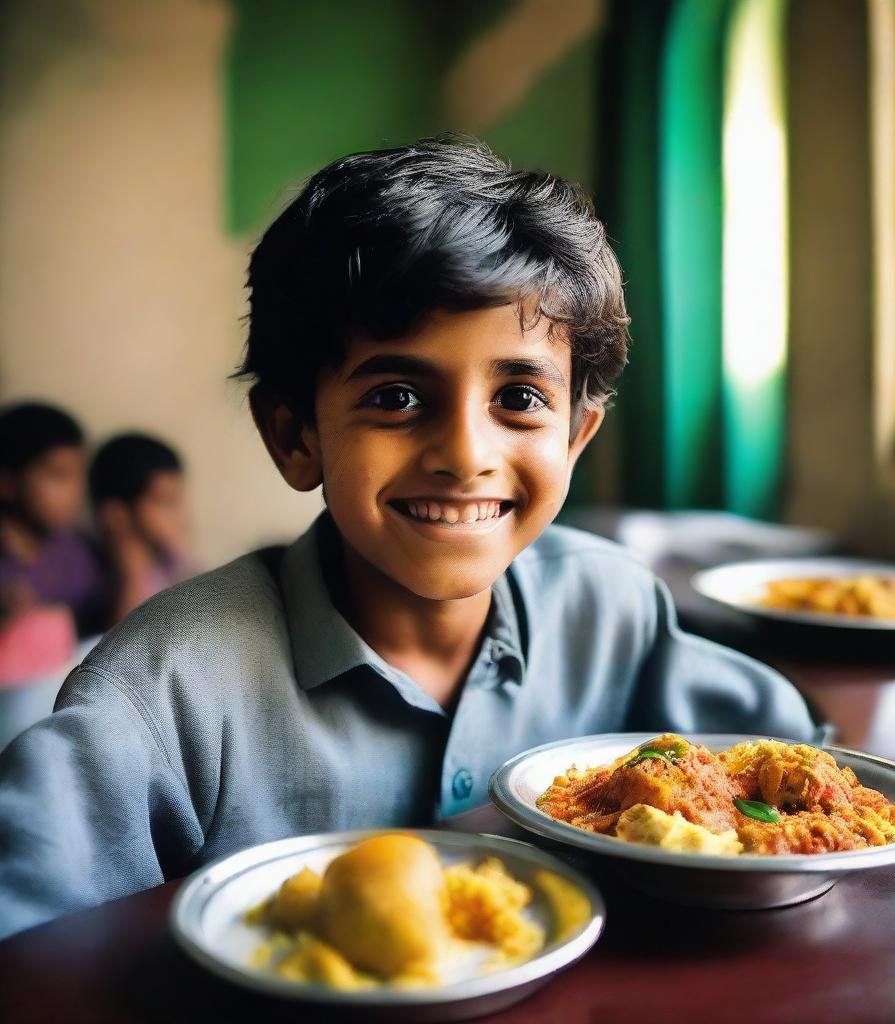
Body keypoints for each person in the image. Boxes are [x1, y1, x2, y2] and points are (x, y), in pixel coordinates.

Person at [0, 135, 815, 939]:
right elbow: (32, 949)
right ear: (295, 437)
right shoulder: (163, 692)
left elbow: (803, 777)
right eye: (395, 397)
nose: (465, 454)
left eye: (521, 398)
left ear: (576, 437)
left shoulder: (611, 610)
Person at [0, 402, 106, 638]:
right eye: (58, 476)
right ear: (6, 481)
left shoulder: (81, 553)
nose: (76, 493)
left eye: (79, 476)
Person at [88, 433, 196, 621]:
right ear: (116, 513)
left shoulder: (170, 561)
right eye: (167, 503)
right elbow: (125, 643)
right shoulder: (87, 569)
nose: (180, 517)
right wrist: (133, 574)